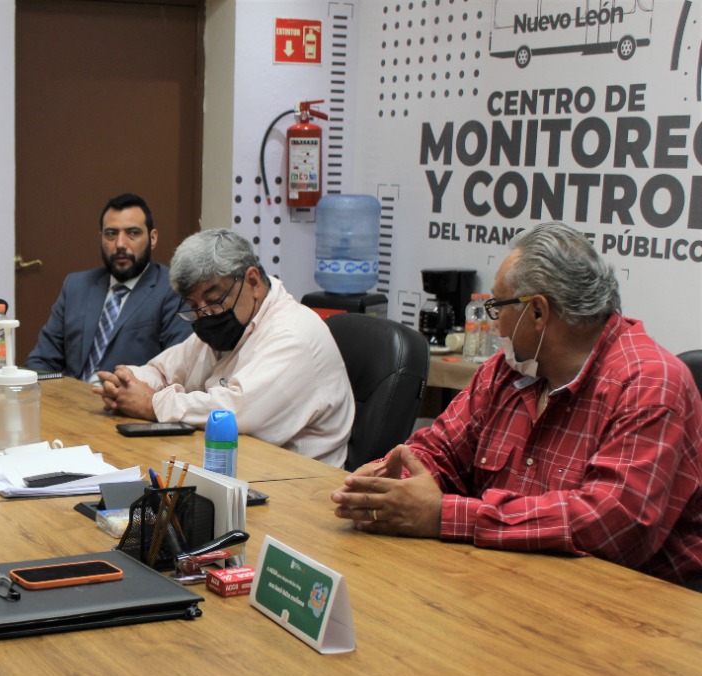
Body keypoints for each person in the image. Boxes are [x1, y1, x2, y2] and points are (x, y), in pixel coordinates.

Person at [331, 221, 702, 587]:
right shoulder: (508, 370)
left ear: (537, 312)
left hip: (629, 602)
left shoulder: (650, 384)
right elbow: (441, 449)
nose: (496, 325)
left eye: (497, 307)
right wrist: (391, 488)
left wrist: (444, 515)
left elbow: (610, 524)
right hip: (509, 579)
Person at [94, 228, 354, 466]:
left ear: (253, 282)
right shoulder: (226, 326)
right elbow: (162, 371)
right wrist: (127, 383)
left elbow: (236, 412)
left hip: (298, 484)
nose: (204, 315)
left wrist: (152, 404)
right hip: (238, 469)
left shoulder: (293, 334)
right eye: (193, 306)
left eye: (213, 300)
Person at [25, 193, 192, 380]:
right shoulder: (76, 286)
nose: (120, 244)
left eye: (133, 233)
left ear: (152, 238)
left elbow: (176, 372)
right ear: (101, 238)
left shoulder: (173, 289)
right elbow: (41, 362)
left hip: (127, 396)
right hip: (69, 394)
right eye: (111, 234)